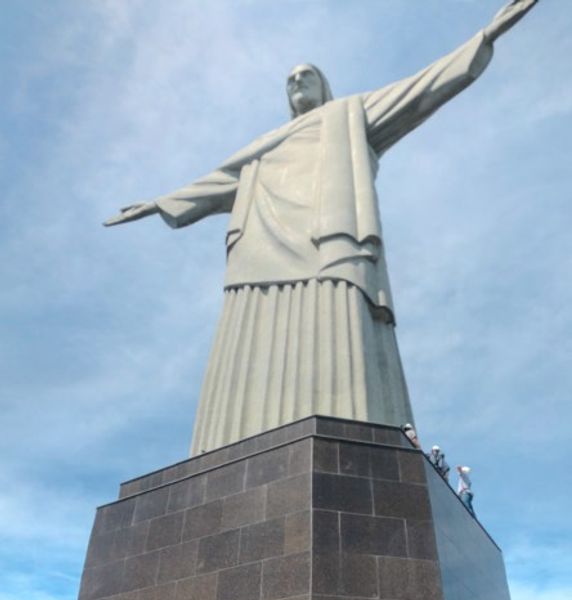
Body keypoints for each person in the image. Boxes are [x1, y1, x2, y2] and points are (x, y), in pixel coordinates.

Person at [105, 1, 538, 455]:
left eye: (305, 75)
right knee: (251, 341)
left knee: (336, 330)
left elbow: (421, 90)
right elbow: (217, 182)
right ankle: (229, 448)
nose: (296, 83)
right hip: (259, 243)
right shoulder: (262, 146)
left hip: (327, 240)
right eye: (289, 79)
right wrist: (158, 203)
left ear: (323, 86)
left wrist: (486, 37)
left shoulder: (349, 114)